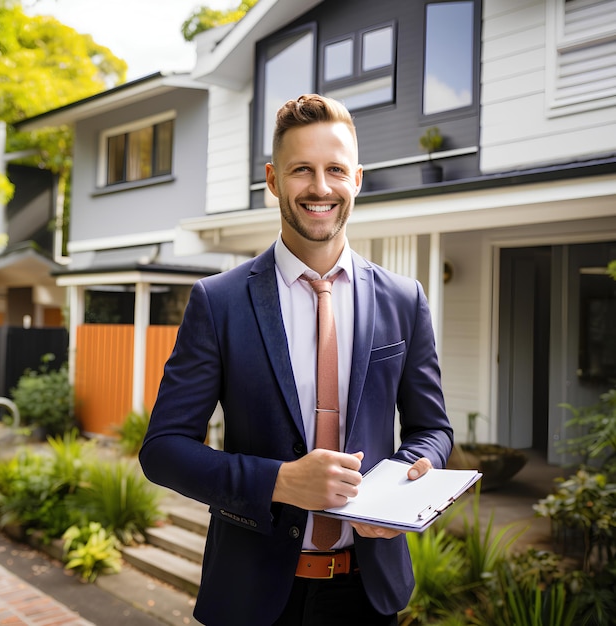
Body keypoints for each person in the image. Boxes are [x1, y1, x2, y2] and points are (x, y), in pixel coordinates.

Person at [139, 93, 453, 626]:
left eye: (335, 169)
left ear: (356, 178)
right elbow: (164, 450)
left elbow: (433, 430)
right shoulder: (219, 302)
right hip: (253, 597)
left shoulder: (405, 299)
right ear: (272, 179)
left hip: (369, 593)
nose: (320, 187)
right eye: (301, 170)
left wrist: (400, 482)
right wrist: (279, 481)